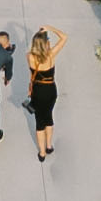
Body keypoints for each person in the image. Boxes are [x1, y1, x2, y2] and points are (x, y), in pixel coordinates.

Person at [27, 27, 66, 163]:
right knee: (49, 116)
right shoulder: (51, 55)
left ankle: (42, 152)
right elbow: (64, 37)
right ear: (46, 43)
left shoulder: (30, 56)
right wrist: (49, 28)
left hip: (38, 90)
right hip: (50, 90)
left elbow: (32, 74)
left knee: (39, 122)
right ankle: (49, 146)